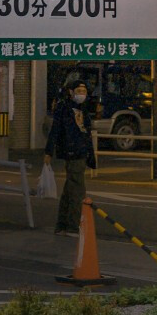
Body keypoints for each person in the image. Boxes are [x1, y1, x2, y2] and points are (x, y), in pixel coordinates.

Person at [44, 71, 96, 235]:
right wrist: (48, 152)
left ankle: (61, 225)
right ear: (71, 92)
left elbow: (87, 134)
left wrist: (91, 157)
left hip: (81, 153)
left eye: (84, 92)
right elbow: (55, 130)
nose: (82, 95)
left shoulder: (84, 110)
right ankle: (73, 227)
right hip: (71, 152)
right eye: (79, 92)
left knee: (69, 190)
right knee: (78, 191)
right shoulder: (64, 108)